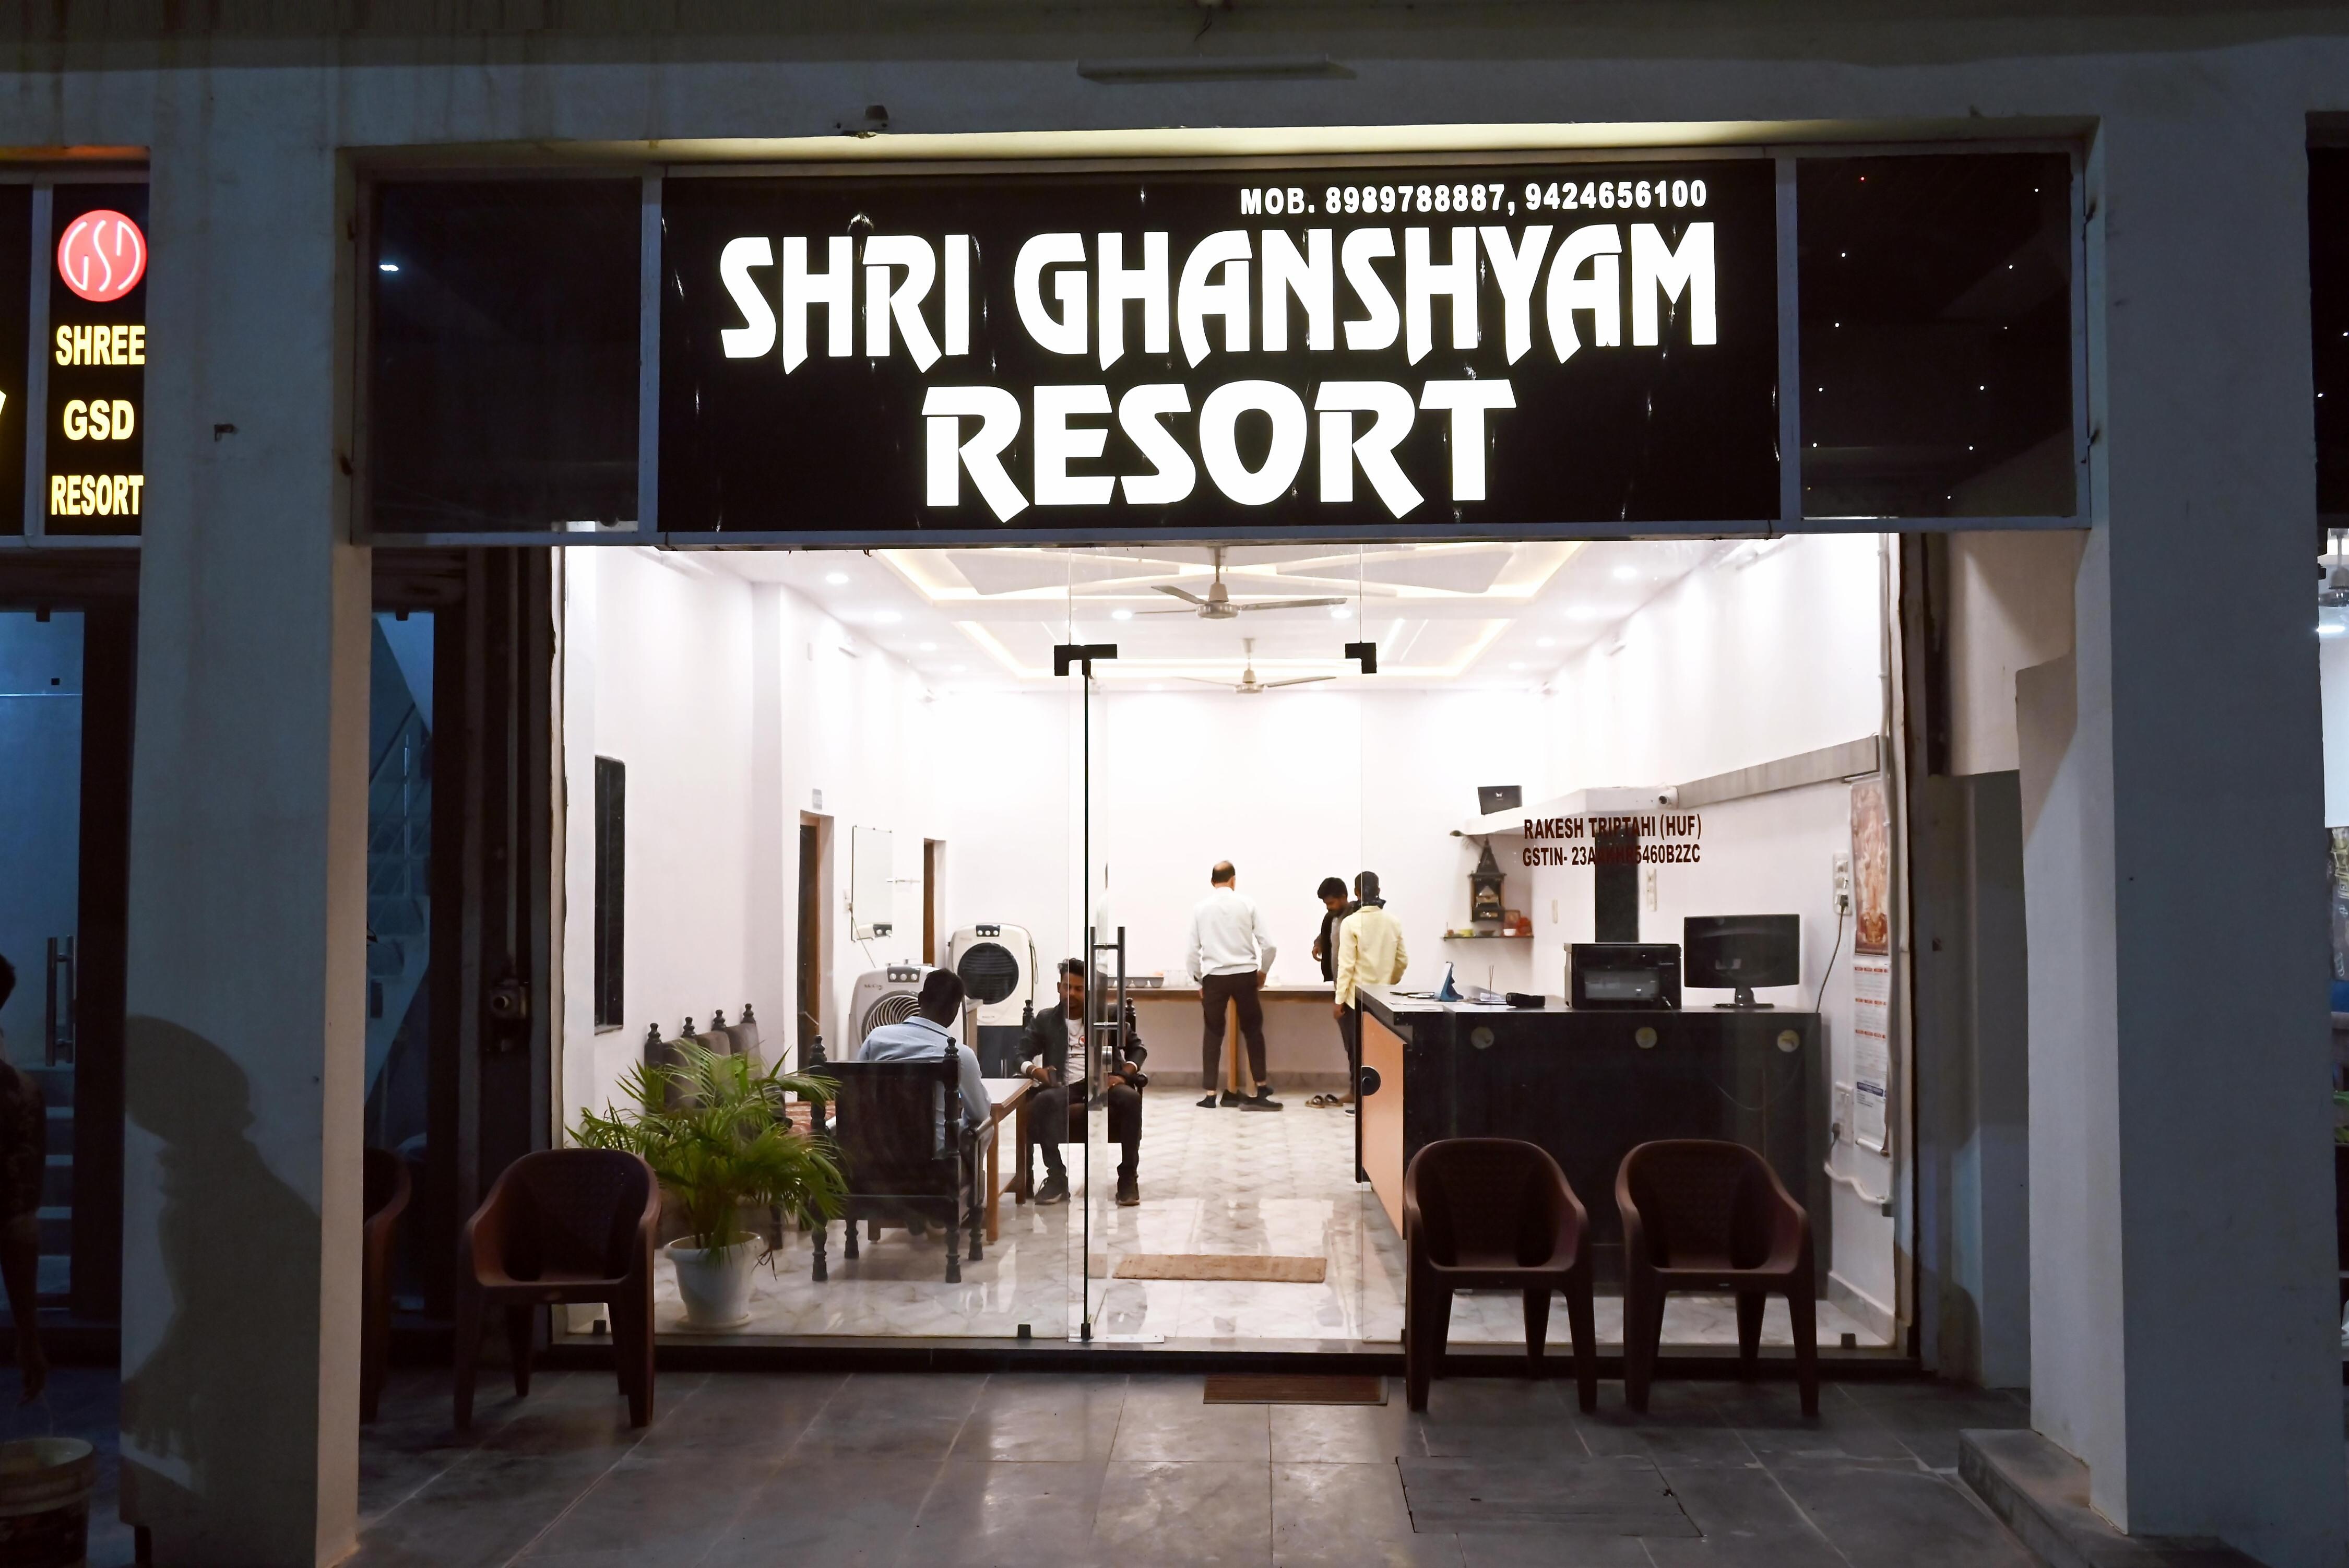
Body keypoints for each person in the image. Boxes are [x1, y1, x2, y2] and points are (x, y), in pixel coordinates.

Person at [1020, 960, 1150, 1207]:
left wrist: (1124, 1075)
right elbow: (1021, 1054)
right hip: (1064, 1087)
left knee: (1131, 1099)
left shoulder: (1107, 1016)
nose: (1071, 994)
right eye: (1067, 987)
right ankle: (1056, 1177)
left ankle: (1127, 1177)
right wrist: (1036, 1071)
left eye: (1079, 989)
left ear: (1087, 992)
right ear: (1059, 988)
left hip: (1104, 1084)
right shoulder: (1047, 1019)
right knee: (1043, 1101)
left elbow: (1138, 1049)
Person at [856, 968, 991, 1144]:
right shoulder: (960, 1054)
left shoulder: (876, 1037)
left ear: (919, 999)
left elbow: (858, 1089)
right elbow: (980, 1113)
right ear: (955, 1011)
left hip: (879, 1148)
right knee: (986, 1127)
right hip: (934, 1154)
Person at [1187, 860, 1281, 1110]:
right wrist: (1263, 972)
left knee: (1213, 1033)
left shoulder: (1200, 909)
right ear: (1233, 880)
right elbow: (1270, 946)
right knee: (1253, 1030)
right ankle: (1261, 1087)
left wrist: (1198, 981)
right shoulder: (1247, 904)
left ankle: (1210, 1095)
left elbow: (1192, 952)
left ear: (1212, 882)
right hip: (1245, 975)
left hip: (1214, 977)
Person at [0, 957, 45, 1401]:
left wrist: (29, 1336)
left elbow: (19, 1223)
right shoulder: (22, 1094)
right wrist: (28, 1336)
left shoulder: (21, 1095)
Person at [1334, 872, 1408, 1122]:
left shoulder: (1351, 923)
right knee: (1382, 1052)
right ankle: (1384, 1104)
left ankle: (1362, 1105)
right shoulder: (1393, 922)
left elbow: (1346, 966)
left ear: (1356, 893)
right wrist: (1389, 981)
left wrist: (1339, 1000)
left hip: (1356, 999)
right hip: (1384, 998)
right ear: (1379, 890)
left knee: (1360, 1052)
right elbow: (1402, 961)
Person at [1309, 876, 1352, 1108]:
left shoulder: (1355, 919)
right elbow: (1325, 935)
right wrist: (1319, 944)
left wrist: (1342, 998)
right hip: (1339, 987)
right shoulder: (1331, 918)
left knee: (1356, 1044)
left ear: (1345, 897)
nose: (1329, 907)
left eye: (1332, 903)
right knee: (1349, 1044)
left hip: (1353, 990)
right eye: (1326, 904)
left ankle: (1359, 1091)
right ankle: (1355, 1090)